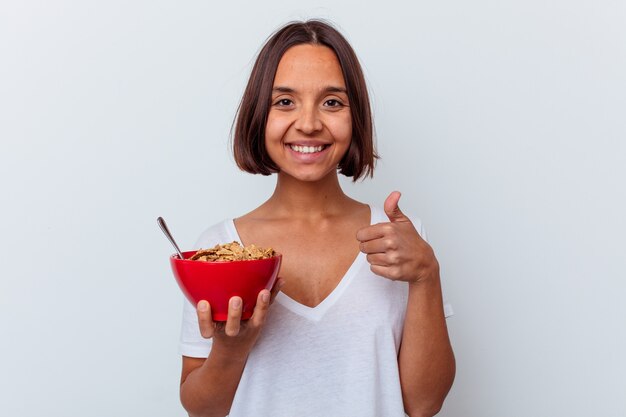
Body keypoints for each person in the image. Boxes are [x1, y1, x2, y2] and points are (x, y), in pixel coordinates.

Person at [178, 19, 455, 417]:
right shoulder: (217, 252)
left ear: (355, 116)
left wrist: (427, 275)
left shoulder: (398, 242)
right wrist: (229, 350)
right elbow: (201, 410)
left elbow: (424, 404)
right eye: (285, 101)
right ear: (260, 114)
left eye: (332, 102)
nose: (308, 124)